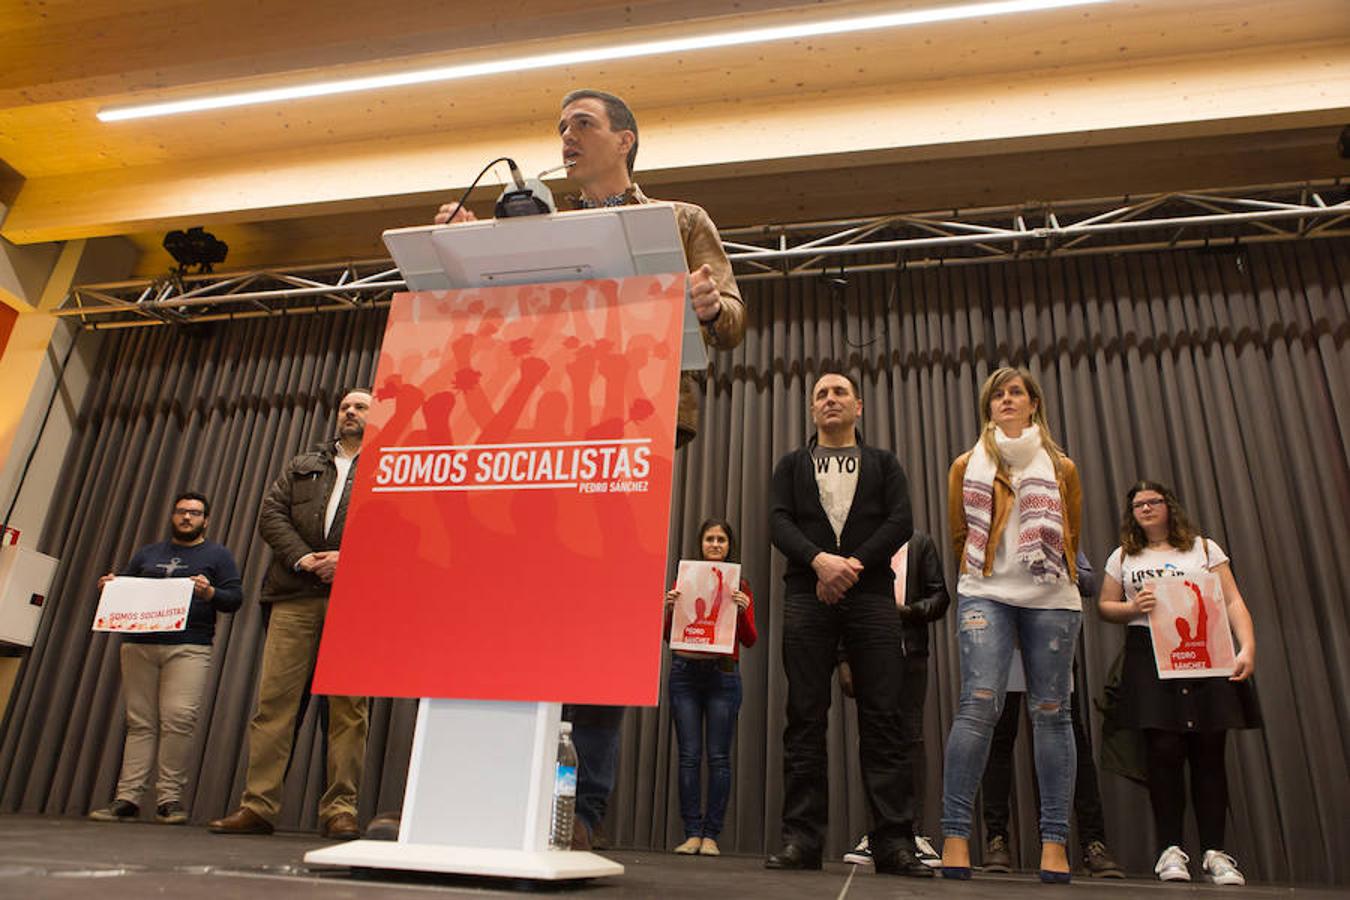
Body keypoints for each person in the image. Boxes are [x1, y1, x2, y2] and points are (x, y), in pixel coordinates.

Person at [415, 89, 746, 851]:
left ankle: (579, 810)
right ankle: (483, 785)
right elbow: (491, 318)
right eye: (561, 127)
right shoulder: (536, 227)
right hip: (535, 442)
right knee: (515, 614)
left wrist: (703, 306)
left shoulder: (680, 221)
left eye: (583, 124)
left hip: (629, 442)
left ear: (625, 141)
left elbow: (731, 317)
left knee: (598, 623)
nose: (566, 137)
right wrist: (463, 252)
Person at [766, 371, 930, 877]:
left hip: (873, 598)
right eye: (821, 394)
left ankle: (894, 844)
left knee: (885, 718)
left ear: (858, 406)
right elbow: (777, 522)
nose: (830, 399)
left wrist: (850, 566)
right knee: (805, 719)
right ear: (812, 410)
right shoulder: (791, 465)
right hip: (806, 596)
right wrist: (819, 562)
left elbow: (900, 521)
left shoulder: (885, 464)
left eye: (839, 392)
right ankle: (802, 841)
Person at [939, 366, 1082, 883]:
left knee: (1052, 712)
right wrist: (982, 576)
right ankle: (955, 834)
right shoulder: (965, 465)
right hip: (986, 592)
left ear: (1033, 403)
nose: (1006, 399)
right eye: (997, 394)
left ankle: (1054, 843)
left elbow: (1071, 534)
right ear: (988, 407)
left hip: (1052, 598)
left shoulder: (1061, 467)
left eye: (1015, 392)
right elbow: (960, 535)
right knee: (978, 706)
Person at [209, 389, 372, 840]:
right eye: (345, 407)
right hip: (294, 594)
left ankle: (340, 810)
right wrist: (305, 559)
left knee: (349, 709)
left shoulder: (387, 469)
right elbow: (270, 514)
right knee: (274, 704)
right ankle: (258, 806)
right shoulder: (304, 463)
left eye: (360, 407)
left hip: (355, 599)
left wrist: (348, 561)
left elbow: (396, 522)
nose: (350, 412)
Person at [1097, 480, 1259, 886]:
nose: (1146, 509)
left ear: (1169, 506)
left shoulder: (1204, 549)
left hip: (1205, 653)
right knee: (1163, 750)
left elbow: (1233, 599)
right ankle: (1170, 849)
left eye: (1153, 502)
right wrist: (1132, 607)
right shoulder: (1124, 557)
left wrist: (1248, 647)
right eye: (1138, 505)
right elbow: (1105, 605)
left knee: (1209, 749)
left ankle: (1215, 852)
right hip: (1149, 655)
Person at [88, 492, 243, 825]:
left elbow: (234, 598)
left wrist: (210, 592)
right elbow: (126, 585)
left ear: (206, 520)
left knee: (178, 719)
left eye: (195, 513)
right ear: (173, 516)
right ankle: (127, 798)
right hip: (138, 644)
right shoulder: (148, 553)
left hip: (189, 646)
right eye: (182, 512)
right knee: (139, 722)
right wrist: (111, 587)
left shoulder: (217, 555)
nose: (187, 517)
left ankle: (169, 799)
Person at [978, 550, 1125, 878]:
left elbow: (1086, 581)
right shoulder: (993, 535)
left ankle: (1093, 843)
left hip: (1050, 645)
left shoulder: (1055, 528)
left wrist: (1055, 557)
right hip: (1005, 648)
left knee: (1071, 742)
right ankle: (996, 840)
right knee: (998, 742)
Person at [839, 530, 950, 870]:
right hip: (868, 655)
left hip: (910, 655)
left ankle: (912, 832)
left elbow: (940, 597)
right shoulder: (859, 546)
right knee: (874, 740)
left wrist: (907, 612)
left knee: (911, 740)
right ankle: (877, 833)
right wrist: (844, 659)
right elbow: (844, 603)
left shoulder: (920, 544)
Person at [663, 518, 757, 856]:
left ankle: (711, 835)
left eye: (721, 539)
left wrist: (744, 611)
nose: (715, 544)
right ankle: (691, 832)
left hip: (723, 675)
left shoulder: (739, 585)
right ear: (700, 544)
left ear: (729, 545)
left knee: (718, 758)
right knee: (689, 757)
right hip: (685, 673)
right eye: (709, 539)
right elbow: (667, 636)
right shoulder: (683, 581)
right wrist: (670, 608)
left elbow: (749, 640)